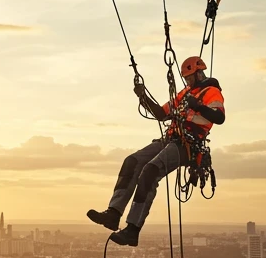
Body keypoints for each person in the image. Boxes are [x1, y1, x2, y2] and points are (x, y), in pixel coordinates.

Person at [87, 55, 225, 246]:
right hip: (171, 139)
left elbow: (219, 118)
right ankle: (113, 212)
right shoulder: (185, 94)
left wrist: (198, 106)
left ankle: (132, 229)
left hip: (188, 145)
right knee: (132, 161)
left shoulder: (211, 92)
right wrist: (143, 97)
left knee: (151, 171)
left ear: (199, 73)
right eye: (186, 79)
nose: (187, 81)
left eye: (190, 78)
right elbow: (161, 114)